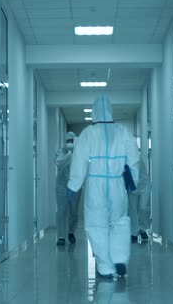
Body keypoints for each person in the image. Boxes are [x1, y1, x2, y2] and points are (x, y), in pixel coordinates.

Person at [67, 95, 140, 278]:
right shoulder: (123, 132)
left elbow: (79, 161)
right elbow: (134, 159)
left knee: (96, 225)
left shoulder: (88, 133)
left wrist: (74, 185)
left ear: (95, 112)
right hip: (117, 184)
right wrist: (133, 182)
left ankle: (105, 266)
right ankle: (120, 259)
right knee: (120, 222)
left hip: (96, 185)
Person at [55, 132, 82, 246]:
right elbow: (60, 164)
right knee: (61, 211)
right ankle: (61, 236)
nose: (70, 143)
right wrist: (70, 154)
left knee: (74, 212)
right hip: (61, 186)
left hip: (75, 186)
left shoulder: (80, 153)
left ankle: (71, 232)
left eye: (72, 141)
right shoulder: (60, 152)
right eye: (68, 141)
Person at [128, 159, 151, 243]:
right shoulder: (121, 160)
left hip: (144, 185)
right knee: (133, 210)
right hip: (131, 187)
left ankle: (143, 229)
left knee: (143, 207)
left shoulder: (136, 158)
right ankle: (134, 232)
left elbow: (136, 173)